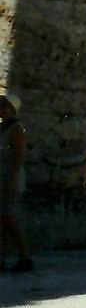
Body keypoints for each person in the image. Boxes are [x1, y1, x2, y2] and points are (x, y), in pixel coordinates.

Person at [1, 92, 32, 273]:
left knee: (9, 218)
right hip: (3, 176)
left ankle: (24, 256)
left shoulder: (16, 129)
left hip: (10, 177)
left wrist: (13, 179)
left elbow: (19, 155)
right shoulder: (3, 127)